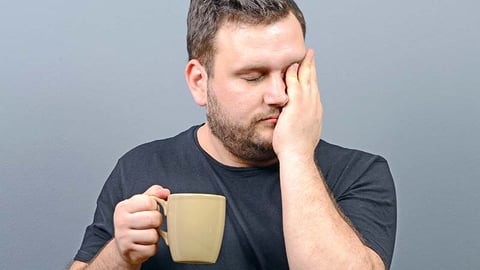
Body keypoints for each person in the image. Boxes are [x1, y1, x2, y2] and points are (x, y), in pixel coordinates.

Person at [70, 0, 396, 269]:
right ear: (199, 82)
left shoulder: (358, 173)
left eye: (291, 72)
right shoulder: (139, 167)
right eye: (253, 77)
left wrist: (296, 155)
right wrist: (119, 256)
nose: (279, 95)